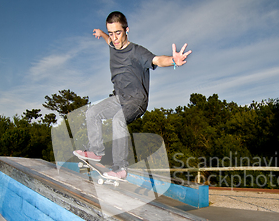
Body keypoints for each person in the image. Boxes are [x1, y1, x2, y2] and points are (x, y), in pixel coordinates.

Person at [73, 11, 191, 180]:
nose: (114, 38)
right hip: (119, 98)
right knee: (92, 113)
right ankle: (96, 152)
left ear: (127, 30)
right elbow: (108, 40)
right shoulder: (113, 44)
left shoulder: (137, 52)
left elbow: (157, 60)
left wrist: (173, 60)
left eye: (118, 33)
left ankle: (120, 168)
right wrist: (102, 33)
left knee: (118, 120)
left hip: (136, 100)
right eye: (111, 33)